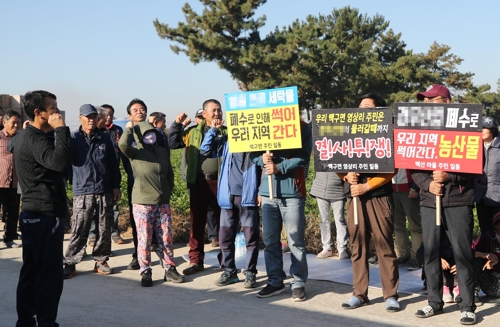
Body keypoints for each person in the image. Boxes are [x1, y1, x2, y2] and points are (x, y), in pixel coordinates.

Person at [412, 84, 477, 325]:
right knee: (430, 252)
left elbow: (474, 166)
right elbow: (413, 166)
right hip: (430, 201)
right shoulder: (418, 129)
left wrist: (450, 176)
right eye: (425, 101)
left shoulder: (466, 128)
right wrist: (428, 184)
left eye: (433, 100)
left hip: (458, 200)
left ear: (447, 102)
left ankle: (468, 305)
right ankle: (434, 302)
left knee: (462, 252)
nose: (428, 105)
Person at [337, 93, 399, 312]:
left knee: (384, 246)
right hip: (355, 199)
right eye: (360, 106)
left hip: (379, 197)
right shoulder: (346, 131)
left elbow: (393, 168)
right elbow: (334, 158)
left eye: (367, 107)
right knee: (358, 246)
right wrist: (346, 176)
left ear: (378, 112)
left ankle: (390, 295)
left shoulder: (387, 133)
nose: (361, 110)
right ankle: (359, 293)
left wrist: (367, 185)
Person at [14, 90, 71, 327]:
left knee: (32, 272)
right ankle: (46, 323)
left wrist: (54, 132)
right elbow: (58, 163)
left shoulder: (33, 136)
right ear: (38, 112)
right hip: (43, 215)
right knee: (49, 276)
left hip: (36, 214)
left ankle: (26, 321)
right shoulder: (33, 139)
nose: (57, 112)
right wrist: (61, 130)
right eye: (53, 108)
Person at [250, 120, 312, 302]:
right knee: (270, 240)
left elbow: (304, 156)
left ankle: (298, 282)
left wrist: (280, 167)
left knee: (295, 240)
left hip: (292, 193)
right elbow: (252, 152)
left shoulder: (301, 127)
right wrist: (261, 159)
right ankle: (275, 281)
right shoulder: (263, 124)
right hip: (267, 193)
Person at [119, 121, 184, 286]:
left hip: (162, 202)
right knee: (145, 238)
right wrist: (129, 129)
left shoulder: (162, 152)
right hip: (143, 203)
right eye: (146, 134)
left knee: (166, 237)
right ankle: (145, 270)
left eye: (153, 133)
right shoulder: (135, 153)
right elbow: (122, 144)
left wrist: (168, 191)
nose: (150, 136)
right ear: (140, 136)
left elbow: (169, 173)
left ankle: (169, 268)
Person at [200, 116, 261, 288]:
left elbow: (264, 168)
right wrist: (213, 130)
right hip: (228, 198)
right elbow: (205, 150)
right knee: (225, 237)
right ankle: (229, 271)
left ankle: (250, 273)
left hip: (248, 197)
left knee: (251, 237)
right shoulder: (227, 141)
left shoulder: (256, 143)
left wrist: (261, 191)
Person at [63, 104, 121, 278]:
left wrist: (116, 186)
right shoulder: (73, 138)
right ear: (80, 117)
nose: (91, 120)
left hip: (104, 189)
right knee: (80, 227)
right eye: (87, 117)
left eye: (94, 117)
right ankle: (70, 262)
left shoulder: (104, 138)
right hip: (83, 189)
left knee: (104, 227)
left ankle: (101, 260)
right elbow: (65, 165)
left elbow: (113, 164)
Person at [168, 100, 224, 275]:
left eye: (219, 110)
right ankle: (196, 260)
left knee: (225, 223)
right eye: (213, 111)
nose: (217, 113)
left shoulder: (227, 132)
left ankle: (226, 262)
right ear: (204, 114)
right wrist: (177, 124)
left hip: (220, 183)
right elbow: (173, 143)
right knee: (197, 223)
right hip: (198, 182)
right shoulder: (192, 133)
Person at [88, 104, 126, 245]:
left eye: (110, 115)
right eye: (105, 115)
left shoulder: (117, 131)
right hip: (92, 178)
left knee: (113, 207)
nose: (107, 117)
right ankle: (92, 234)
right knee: (92, 209)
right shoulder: (89, 133)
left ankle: (114, 232)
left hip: (110, 173)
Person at [121, 98, 148, 270]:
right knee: (136, 222)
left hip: (155, 184)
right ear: (129, 115)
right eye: (135, 109)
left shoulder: (155, 133)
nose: (139, 111)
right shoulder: (127, 136)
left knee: (159, 224)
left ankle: (162, 257)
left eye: (142, 109)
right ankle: (137, 255)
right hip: (136, 183)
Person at [310, 170, 349, 259]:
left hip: (338, 190)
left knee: (340, 220)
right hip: (320, 189)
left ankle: (342, 248)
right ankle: (327, 247)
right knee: (324, 220)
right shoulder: (319, 155)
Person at [392, 168, 422, 270]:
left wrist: (415, 187)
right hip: (392, 189)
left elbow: (417, 168)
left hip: (409, 189)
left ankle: (416, 257)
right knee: (397, 225)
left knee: (415, 226)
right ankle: (403, 255)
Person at [474, 116, 500, 236]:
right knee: (485, 231)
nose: (481, 130)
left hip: (497, 197)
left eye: (485, 128)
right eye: (480, 128)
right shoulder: (474, 147)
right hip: (481, 197)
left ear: (493, 130)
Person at [0, 110, 22, 248]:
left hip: (15, 182)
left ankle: (9, 238)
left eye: (18, 123)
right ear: (4, 122)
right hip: (0, 181)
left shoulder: (20, 138)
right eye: (13, 122)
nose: (16, 125)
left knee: (13, 212)